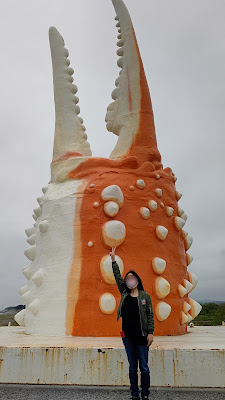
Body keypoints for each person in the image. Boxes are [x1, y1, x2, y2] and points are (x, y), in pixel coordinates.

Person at [110, 246, 154, 400]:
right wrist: (113, 260)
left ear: (137, 280)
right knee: (132, 368)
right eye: (128, 278)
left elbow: (150, 315)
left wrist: (150, 333)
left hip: (142, 336)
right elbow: (117, 277)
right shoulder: (124, 293)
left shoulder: (145, 296)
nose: (129, 280)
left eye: (132, 278)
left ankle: (145, 394)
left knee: (144, 367)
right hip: (127, 336)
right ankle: (134, 394)